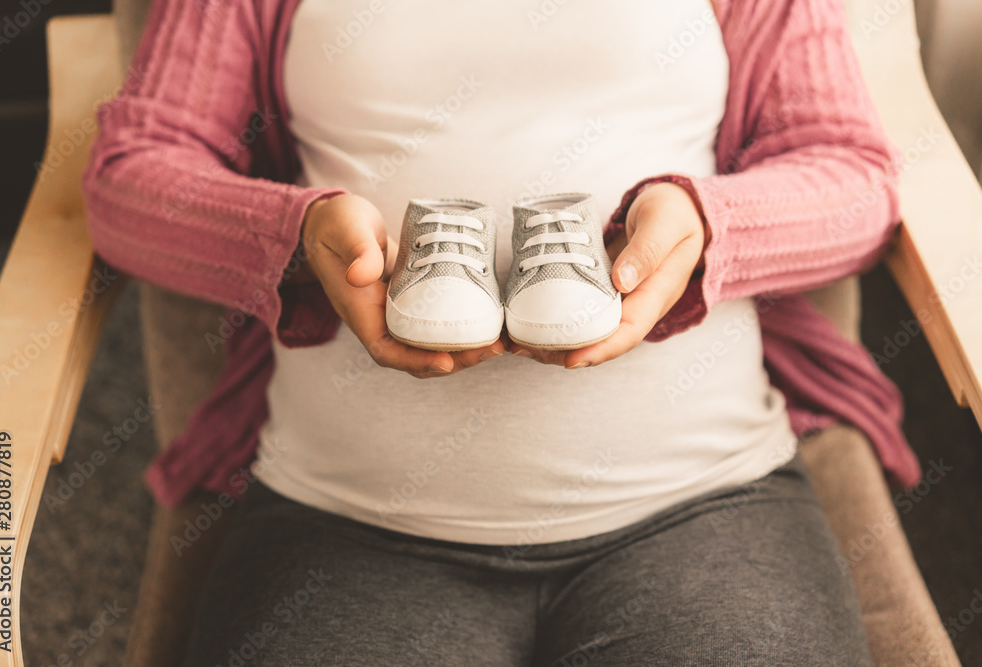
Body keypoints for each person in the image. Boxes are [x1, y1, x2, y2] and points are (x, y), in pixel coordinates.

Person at [83, 0, 920, 663]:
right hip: (346, 516)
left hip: (705, 502)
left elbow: (851, 175)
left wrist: (708, 223)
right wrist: (295, 236)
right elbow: (129, 179)